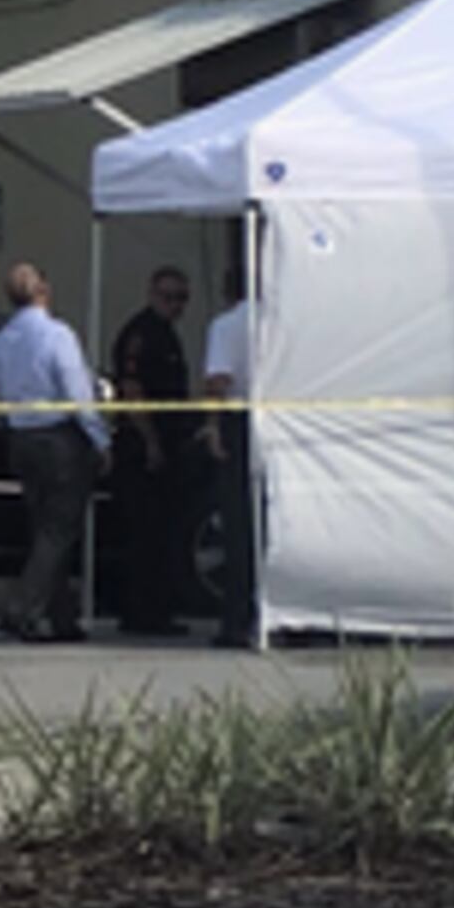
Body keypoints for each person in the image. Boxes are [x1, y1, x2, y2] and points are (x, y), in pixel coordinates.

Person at [0, 261, 110, 643]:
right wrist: (100, 437)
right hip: (59, 438)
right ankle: (24, 607)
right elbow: (77, 390)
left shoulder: (2, 339)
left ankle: (61, 617)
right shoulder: (57, 334)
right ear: (44, 289)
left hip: (22, 437)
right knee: (59, 530)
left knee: (43, 530)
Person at [105, 265, 200, 637]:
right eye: (169, 296)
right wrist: (150, 442)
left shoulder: (167, 335)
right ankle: (142, 613)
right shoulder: (140, 335)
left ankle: (155, 610)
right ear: (151, 294)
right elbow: (132, 391)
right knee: (146, 533)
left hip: (167, 443)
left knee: (161, 533)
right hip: (143, 448)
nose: (176, 305)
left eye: (182, 298)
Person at [199, 251, 257, 648]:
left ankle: (235, 619)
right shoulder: (277, 321)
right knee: (270, 521)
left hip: (239, 419)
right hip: (279, 421)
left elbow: (219, 379)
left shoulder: (225, 325)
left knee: (237, 523)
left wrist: (212, 426)